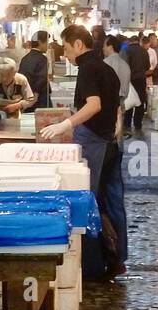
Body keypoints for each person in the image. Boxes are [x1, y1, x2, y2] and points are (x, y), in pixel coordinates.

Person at [41, 24, 126, 275]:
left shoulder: (88, 68)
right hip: (110, 142)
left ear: (79, 45)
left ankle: (92, 266)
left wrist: (65, 124)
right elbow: (117, 108)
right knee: (111, 202)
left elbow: (94, 105)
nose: (65, 55)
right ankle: (117, 258)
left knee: (86, 201)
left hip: (94, 143)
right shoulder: (107, 69)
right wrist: (115, 129)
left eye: (66, 49)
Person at [104, 33, 132, 138]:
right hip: (121, 101)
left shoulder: (105, 63)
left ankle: (110, 152)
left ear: (110, 47)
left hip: (108, 102)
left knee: (108, 132)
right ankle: (119, 153)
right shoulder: (125, 65)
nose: (103, 48)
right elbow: (127, 87)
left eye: (104, 45)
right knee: (119, 130)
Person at [124, 34, 151, 135]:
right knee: (140, 101)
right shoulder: (144, 51)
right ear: (138, 41)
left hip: (129, 79)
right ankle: (138, 123)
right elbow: (147, 66)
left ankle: (127, 123)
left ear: (130, 41)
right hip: (141, 78)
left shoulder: (126, 51)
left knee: (129, 100)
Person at [18, 30, 52, 109]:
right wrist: (35, 95)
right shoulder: (42, 59)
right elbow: (41, 78)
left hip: (26, 96)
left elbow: (21, 76)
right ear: (40, 42)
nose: (48, 45)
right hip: (40, 97)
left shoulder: (25, 58)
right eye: (47, 42)